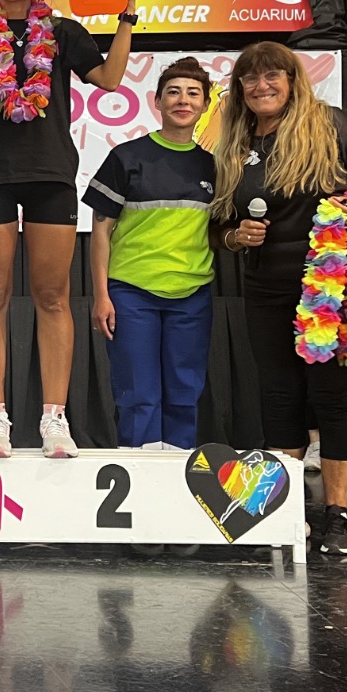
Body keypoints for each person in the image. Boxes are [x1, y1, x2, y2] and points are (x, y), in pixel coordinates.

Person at [0, 0, 140, 459]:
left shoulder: (62, 32)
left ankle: (54, 419)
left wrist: (127, 13)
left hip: (51, 173)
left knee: (53, 296)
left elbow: (110, 78)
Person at [211, 41, 347, 556]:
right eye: (250, 78)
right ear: (239, 88)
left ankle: (338, 514)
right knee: (279, 397)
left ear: (292, 81)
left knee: (334, 397)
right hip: (265, 288)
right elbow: (219, 226)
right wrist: (236, 237)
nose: (261, 86)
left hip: (328, 290)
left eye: (272, 76)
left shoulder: (329, 124)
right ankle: (285, 513)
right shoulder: (233, 143)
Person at [84, 57, 216, 450]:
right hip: (131, 293)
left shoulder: (214, 165)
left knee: (184, 393)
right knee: (138, 395)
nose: (183, 100)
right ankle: (139, 472)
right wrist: (102, 295)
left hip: (192, 295)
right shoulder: (126, 157)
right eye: (173, 92)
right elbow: (100, 231)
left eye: (193, 93)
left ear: (205, 105)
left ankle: (176, 474)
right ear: (157, 101)